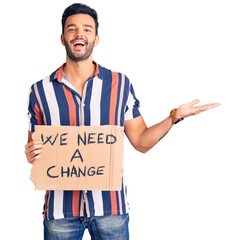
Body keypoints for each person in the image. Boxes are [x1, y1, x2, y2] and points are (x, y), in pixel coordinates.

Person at [25, 3, 220, 240]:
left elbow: (140, 141)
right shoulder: (39, 91)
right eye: (72, 29)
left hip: (111, 210)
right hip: (60, 212)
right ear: (62, 37)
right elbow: (34, 151)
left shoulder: (120, 84)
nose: (79, 34)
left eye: (87, 29)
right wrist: (31, 153)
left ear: (96, 38)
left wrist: (173, 117)